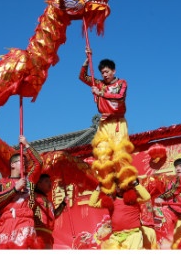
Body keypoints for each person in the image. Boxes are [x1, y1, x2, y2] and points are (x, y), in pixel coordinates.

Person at [79, 54, 138, 195]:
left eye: (107, 72)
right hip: (104, 124)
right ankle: (107, 187)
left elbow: (120, 96)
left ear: (113, 71)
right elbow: (82, 77)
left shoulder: (122, 83)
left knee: (119, 155)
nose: (104, 75)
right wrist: (86, 62)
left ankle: (126, 186)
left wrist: (101, 93)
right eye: (102, 73)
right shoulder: (99, 83)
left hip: (118, 122)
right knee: (102, 155)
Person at [0, 137, 42, 250]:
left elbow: (39, 163)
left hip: (24, 221)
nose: (25, 164)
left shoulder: (29, 179)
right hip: (5, 223)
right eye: (22, 162)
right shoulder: (2, 183)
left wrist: (26, 144)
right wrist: (15, 189)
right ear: (12, 165)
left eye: (26, 163)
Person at [88, 180, 152, 250]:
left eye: (120, 183)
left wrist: (135, 183)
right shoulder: (111, 200)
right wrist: (98, 188)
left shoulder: (134, 199)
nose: (118, 186)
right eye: (116, 184)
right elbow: (92, 204)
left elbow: (147, 197)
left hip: (133, 236)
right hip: (116, 237)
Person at [33, 173, 66, 249]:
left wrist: (63, 203)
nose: (50, 183)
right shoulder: (34, 196)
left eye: (50, 181)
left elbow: (54, 215)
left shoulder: (49, 201)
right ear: (39, 184)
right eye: (46, 181)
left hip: (48, 235)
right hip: (38, 233)